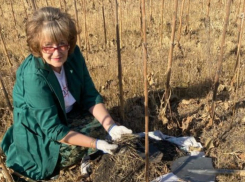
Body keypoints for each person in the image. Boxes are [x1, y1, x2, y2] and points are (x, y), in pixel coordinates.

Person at [0, 6, 132, 181]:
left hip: (67, 116)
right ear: (37, 46)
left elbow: (89, 95)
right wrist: (96, 143)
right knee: (94, 138)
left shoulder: (73, 55)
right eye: (48, 46)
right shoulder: (34, 76)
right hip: (41, 133)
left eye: (62, 43)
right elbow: (53, 129)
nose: (57, 51)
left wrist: (111, 126)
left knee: (108, 125)